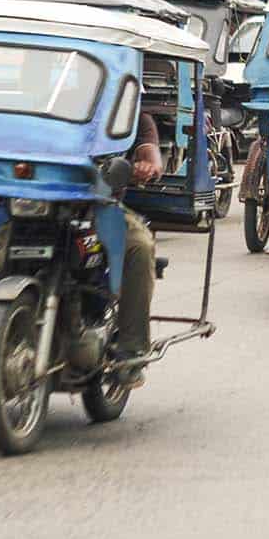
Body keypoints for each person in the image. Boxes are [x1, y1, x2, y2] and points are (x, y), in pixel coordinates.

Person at [113, 111, 165, 388]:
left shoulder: (133, 118)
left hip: (99, 208)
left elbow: (150, 154)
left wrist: (148, 166)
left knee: (140, 247)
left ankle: (131, 352)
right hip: (35, 205)